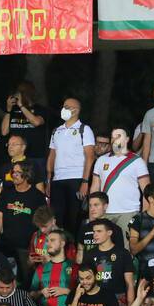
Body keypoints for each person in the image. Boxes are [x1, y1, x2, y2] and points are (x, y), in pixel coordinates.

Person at [46, 97, 95, 234]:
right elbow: (52, 155)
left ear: (76, 110)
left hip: (76, 178)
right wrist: (49, 180)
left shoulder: (84, 129)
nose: (64, 109)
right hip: (58, 180)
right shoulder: (56, 131)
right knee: (58, 218)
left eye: (67, 106)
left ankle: (74, 250)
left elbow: (90, 157)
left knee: (74, 218)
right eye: (63, 106)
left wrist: (85, 182)